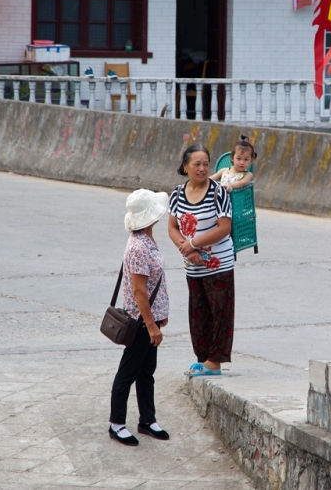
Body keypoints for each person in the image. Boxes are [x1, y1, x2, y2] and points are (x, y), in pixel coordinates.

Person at [109, 189, 171, 446]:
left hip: (151, 319)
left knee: (147, 371)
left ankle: (147, 419)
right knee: (128, 372)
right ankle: (116, 424)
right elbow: (139, 291)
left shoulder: (146, 239)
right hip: (141, 322)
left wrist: (160, 317)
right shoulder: (138, 247)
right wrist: (150, 325)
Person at [168, 144, 235, 377]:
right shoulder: (177, 193)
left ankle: (214, 362)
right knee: (198, 313)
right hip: (193, 266)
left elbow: (224, 228)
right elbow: (172, 227)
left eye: (206, 163)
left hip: (219, 264)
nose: (202, 168)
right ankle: (203, 358)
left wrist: (194, 244)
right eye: (196, 164)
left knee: (220, 313)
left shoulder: (218, 192)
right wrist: (186, 249)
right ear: (185, 166)